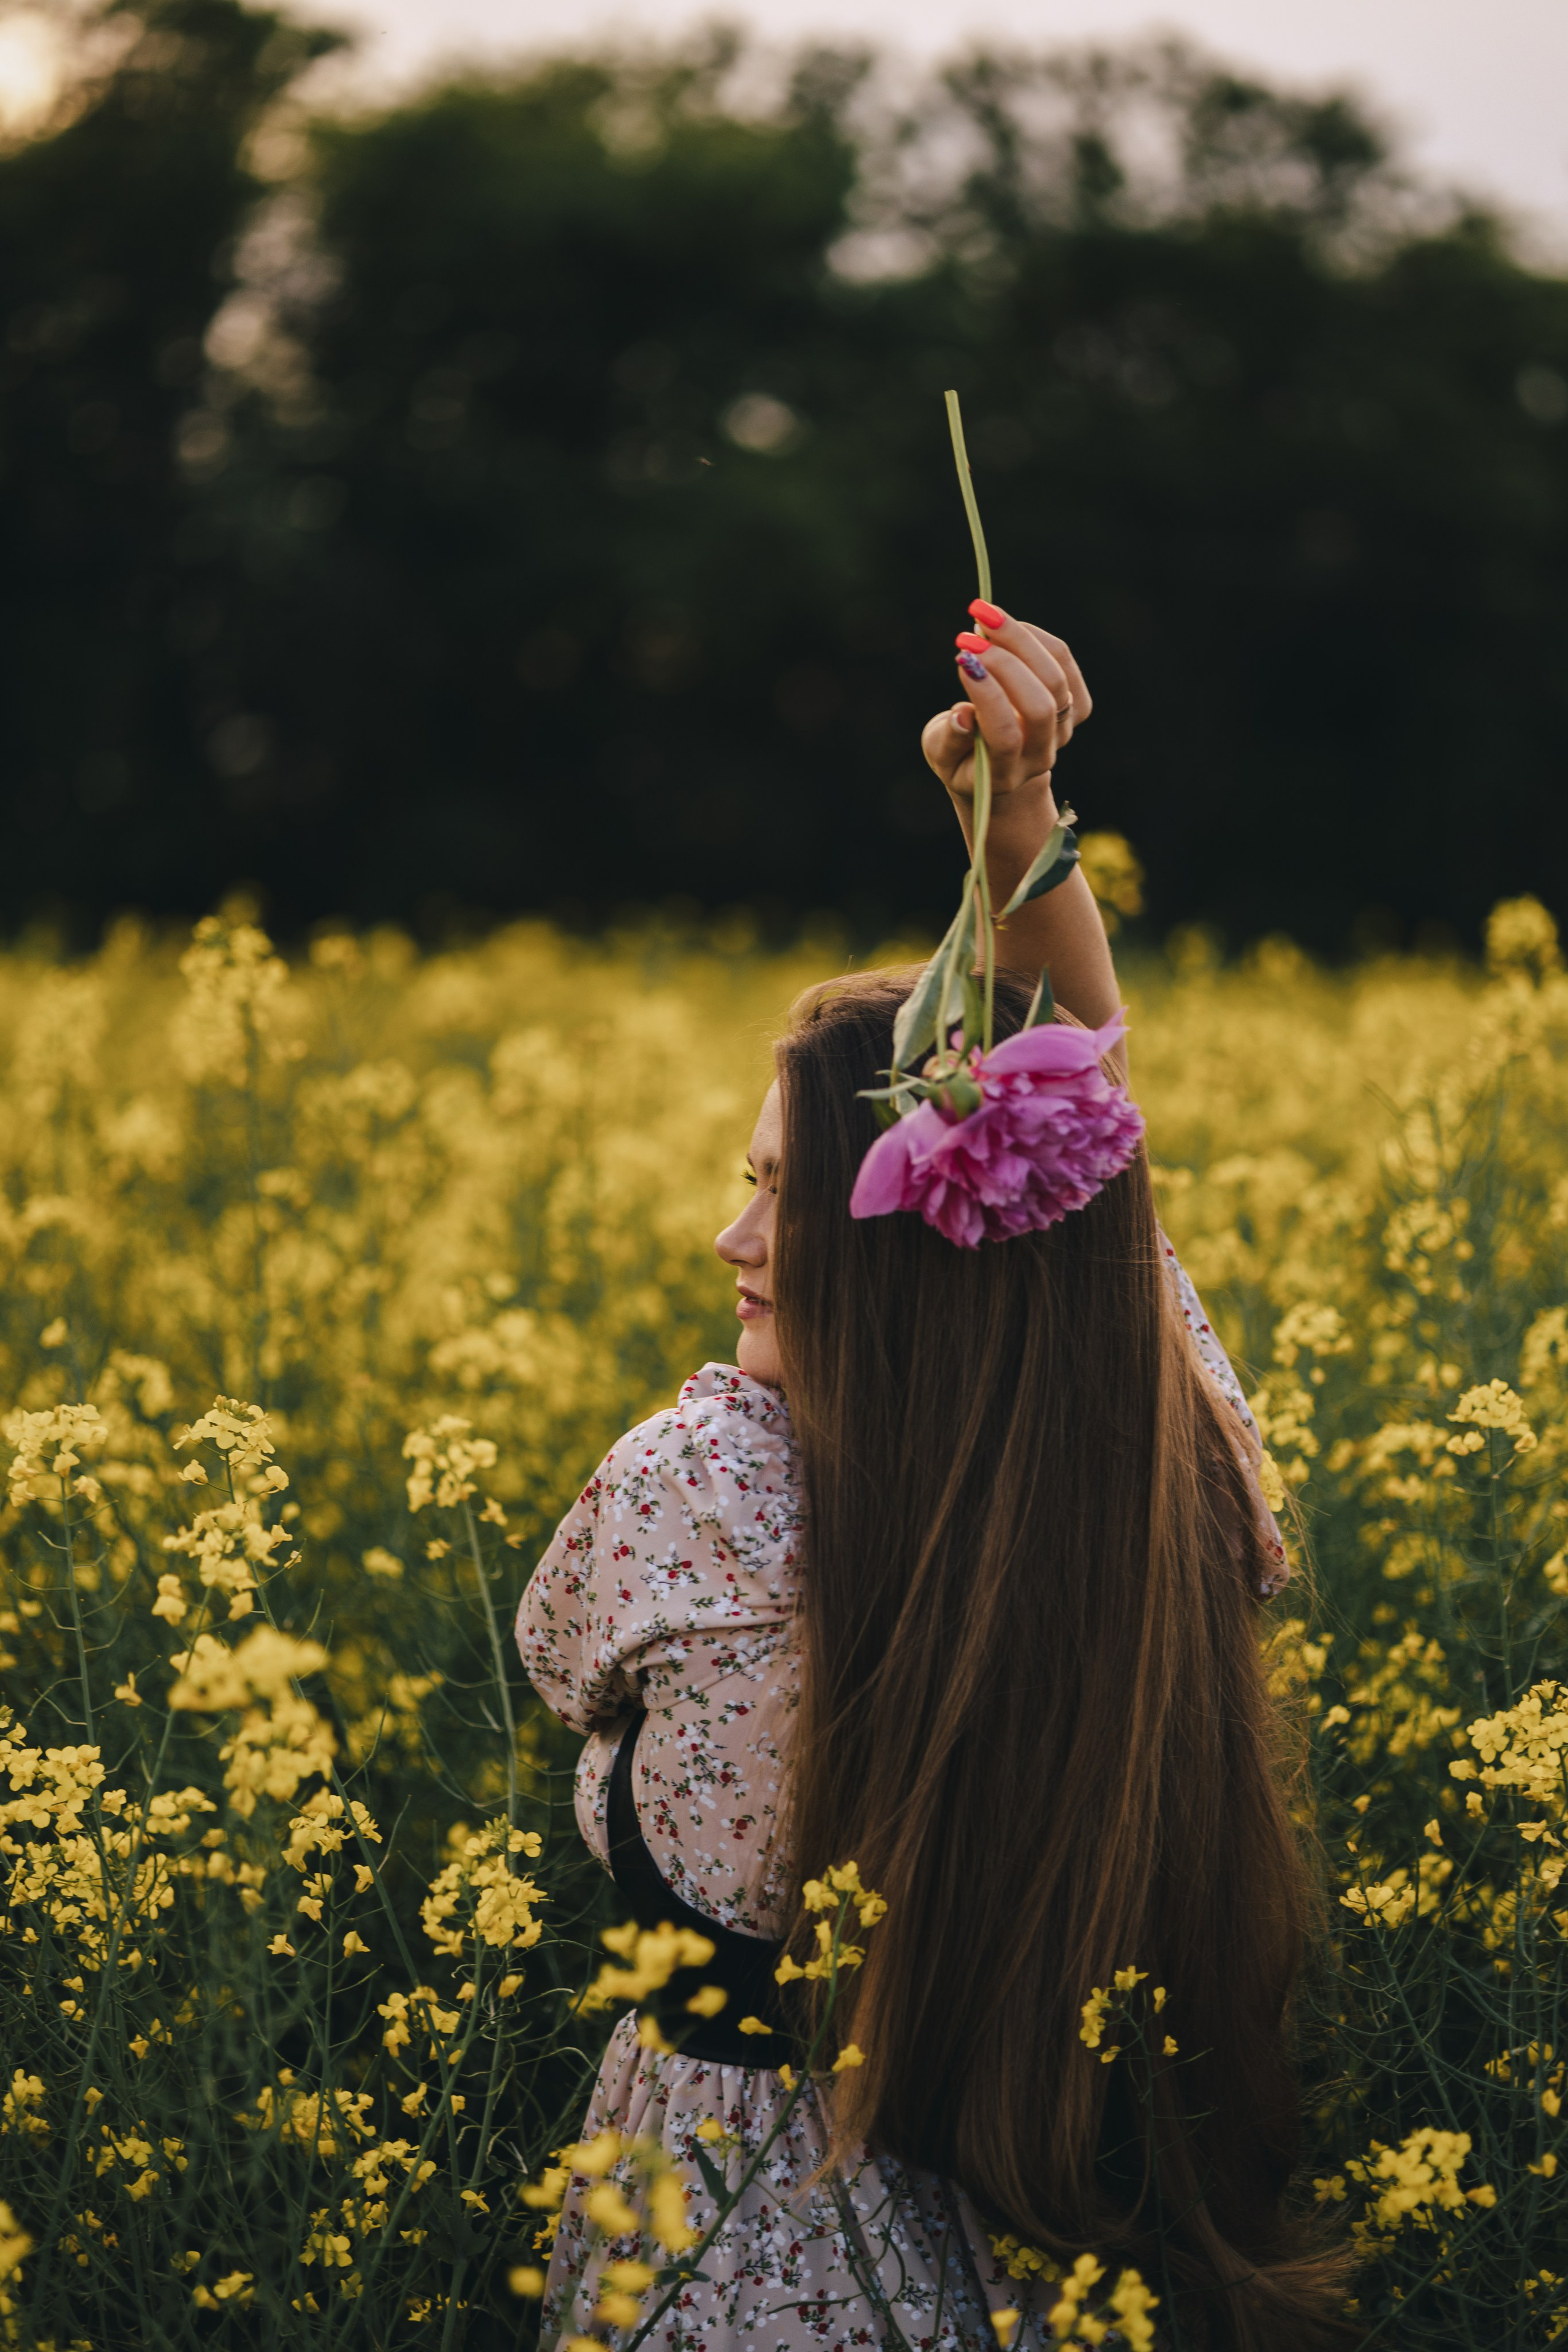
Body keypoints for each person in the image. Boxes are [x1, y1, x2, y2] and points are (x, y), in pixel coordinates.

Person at [517, 611, 1348, 2350]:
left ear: (900, 1241)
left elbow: (558, 1664)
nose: (730, 1236)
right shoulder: (1156, 1474)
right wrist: (1018, 821)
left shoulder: (698, 1492)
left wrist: (1013, 821)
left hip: (727, 2243)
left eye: (780, 1194)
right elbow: (1082, 1196)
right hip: (1060, 2238)